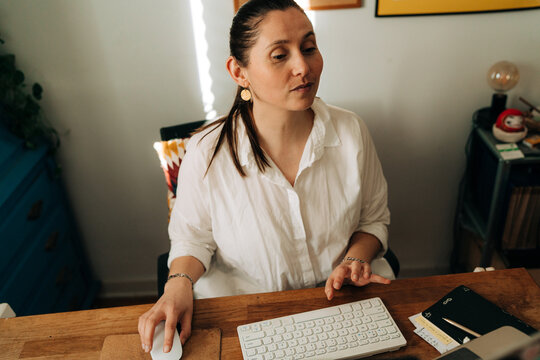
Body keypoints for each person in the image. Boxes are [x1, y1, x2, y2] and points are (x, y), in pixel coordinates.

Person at [138, 0, 393, 354]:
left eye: (309, 47)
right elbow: (192, 240)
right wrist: (177, 284)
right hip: (248, 313)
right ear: (239, 72)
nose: (303, 67)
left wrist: (354, 259)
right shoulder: (205, 153)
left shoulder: (351, 132)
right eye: (279, 55)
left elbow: (373, 220)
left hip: (341, 304)